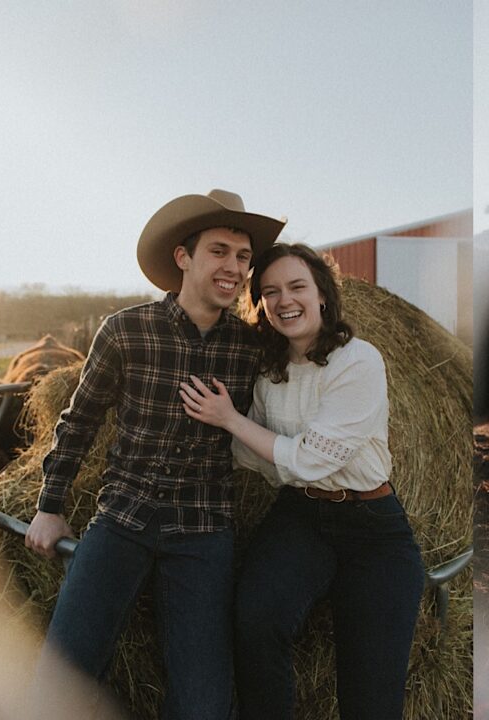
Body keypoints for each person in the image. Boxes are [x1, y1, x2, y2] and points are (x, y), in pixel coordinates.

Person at [25, 190, 285, 719]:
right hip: (122, 516)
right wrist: (50, 506)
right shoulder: (125, 330)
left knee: (205, 705)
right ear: (183, 257)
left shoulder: (255, 348)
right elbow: (79, 422)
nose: (234, 268)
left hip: (204, 528)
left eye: (242, 257)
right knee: (61, 677)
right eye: (219, 251)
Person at [178, 242, 425, 720]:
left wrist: (230, 419)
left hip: (371, 526)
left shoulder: (359, 361)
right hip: (301, 517)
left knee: (371, 695)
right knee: (255, 619)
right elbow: (261, 457)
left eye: (296, 287)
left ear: (323, 296)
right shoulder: (270, 373)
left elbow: (309, 459)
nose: (284, 300)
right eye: (269, 292)